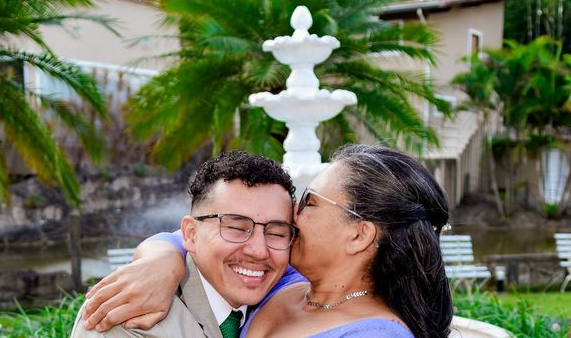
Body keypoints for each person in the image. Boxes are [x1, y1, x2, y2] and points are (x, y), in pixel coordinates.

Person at [82, 144, 453, 338]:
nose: (291, 214)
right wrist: (160, 260)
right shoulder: (287, 281)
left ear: (358, 234)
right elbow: (194, 236)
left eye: (309, 202)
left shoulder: (373, 334)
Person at [70, 150, 298, 338]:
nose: (259, 251)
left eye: (276, 233)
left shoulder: (289, 302)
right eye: (236, 228)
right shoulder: (131, 317)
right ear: (190, 234)